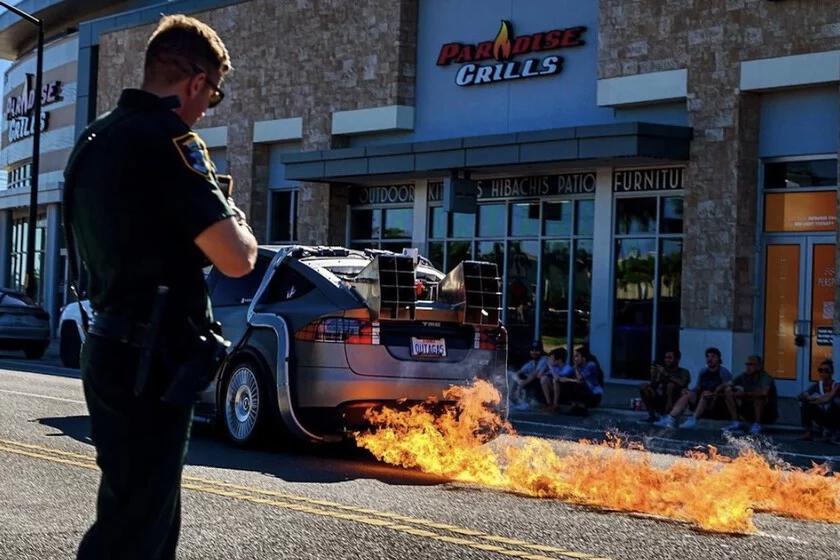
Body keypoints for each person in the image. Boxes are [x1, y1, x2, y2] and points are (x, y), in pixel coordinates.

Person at [63, 15, 258, 560]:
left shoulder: (96, 137)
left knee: (129, 512)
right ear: (196, 82)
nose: (206, 108)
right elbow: (237, 259)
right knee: (138, 533)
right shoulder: (170, 140)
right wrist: (233, 211)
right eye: (212, 96)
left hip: (108, 344)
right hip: (150, 359)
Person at [655, 347, 732, 429]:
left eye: (713, 356)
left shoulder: (723, 372)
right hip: (703, 400)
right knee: (688, 393)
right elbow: (698, 388)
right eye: (708, 356)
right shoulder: (703, 372)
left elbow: (728, 388)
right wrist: (689, 391)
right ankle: (670, 418)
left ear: (718, 359)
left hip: (717, 402)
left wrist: (715, 392)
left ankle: (693, 419)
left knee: (705, 393)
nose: (710, 359)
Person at [720, 355, 778, 435]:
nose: (748, 367)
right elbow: (728, 384)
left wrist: (743, 395)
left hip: (766, 413)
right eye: (747, 364)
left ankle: (757, 424)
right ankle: (735, 422)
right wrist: (716, 391)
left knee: (759, 397)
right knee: (728, 392)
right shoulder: (744, 376)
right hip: (748, 409)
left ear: (759, 366)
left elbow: (764, 393)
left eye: (751, 364)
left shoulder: (765, 377)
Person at [639, 349, 691, 423]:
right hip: (663, 402)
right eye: (666, 358)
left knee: (671, 385)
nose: (667, 360)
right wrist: (653, 376)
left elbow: (683, 383)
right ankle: (652, 416)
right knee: (644, 387)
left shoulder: (683, 372)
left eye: (670, 358)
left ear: (677, 359)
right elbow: (654, 388)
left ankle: (669, 415)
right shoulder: (663, 371)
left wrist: (666, 374)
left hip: (677, 404)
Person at [798, 359, 840, 442]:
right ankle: (808, 433)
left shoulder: (837, 385)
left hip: (836, 418)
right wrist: (809, 398)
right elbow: (802, 395)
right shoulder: (818, 385)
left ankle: (831, 432)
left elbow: (827, 399)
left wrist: (812, 399)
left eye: (826, 371)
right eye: (820, 370)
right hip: (825, 417)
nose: (823, 373)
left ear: (831, 373)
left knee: (833, 404)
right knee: (805, 404)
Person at [510, 341, 549, 410]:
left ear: (541, 351)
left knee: (534, 379)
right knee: (516, 376)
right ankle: (513, 398)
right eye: (532, 350)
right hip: (534, 384)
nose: (534, 352)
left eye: (537, 350)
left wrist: (521, 385)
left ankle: (546, 403)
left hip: (546, 383)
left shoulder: (544, 359)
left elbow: (535, 374)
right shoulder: (531, 362)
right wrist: (519, 381)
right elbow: (517, 373)